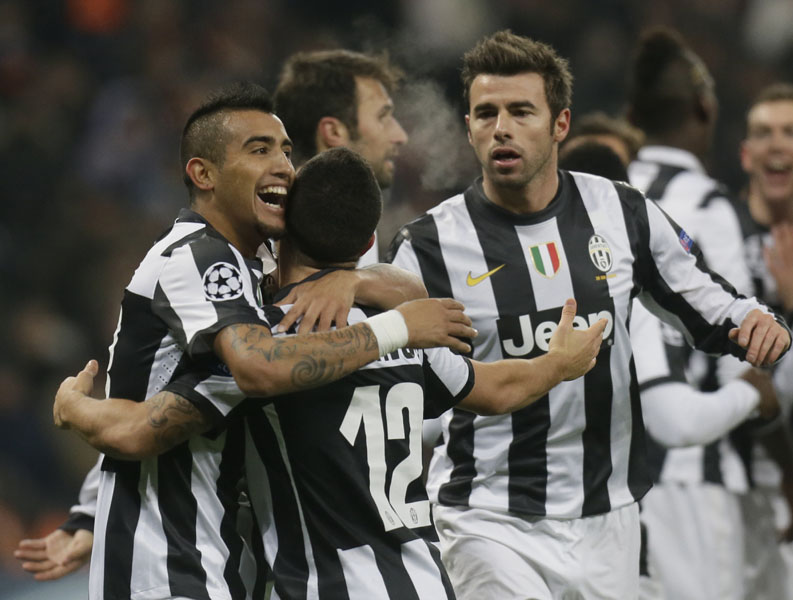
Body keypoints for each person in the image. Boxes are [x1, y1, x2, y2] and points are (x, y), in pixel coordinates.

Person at [52, 146, 607, 599]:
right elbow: (496, 387)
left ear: (280, 228)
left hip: (322, 586)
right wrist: (559, 362)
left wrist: (75, 408)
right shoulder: (410, 326)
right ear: (368, 243)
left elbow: (139, 430)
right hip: (425, 582)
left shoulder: (268, 349)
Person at [24, 82, 476, 600]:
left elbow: (169, 397)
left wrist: (358, 281)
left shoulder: (252, 273)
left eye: (285, 150)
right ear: (204, 174)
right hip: (171, 569)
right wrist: (74, 410)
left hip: (219, 560)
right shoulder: (200, 255)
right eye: (258, 149)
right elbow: (234, 381)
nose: (283, 164)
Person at [386, 30, 791, 599]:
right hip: (488, 520)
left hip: (609, 520)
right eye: (485, 113)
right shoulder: (427, 247)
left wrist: (756, 320)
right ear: (470, 127)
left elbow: (709, 302)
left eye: (521, 111)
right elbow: (426, 394)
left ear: (560, 124)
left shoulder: (621, 212)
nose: (500, 126)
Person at [561, 138, 782, 600]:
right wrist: (752, 393)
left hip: (552, 513)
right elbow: (671, 419)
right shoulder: (630, 291)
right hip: (657, 501)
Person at [624, 28, 772, 599]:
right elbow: (749, 365)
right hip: (696, 472)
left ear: (634, 116)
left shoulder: (603, 196)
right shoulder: (713, 208)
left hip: (611, 477)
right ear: (706, 109)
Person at [734, 81, 793, 600]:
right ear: (746, 153)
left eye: (790, 133)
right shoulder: (713, 234)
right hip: (731, 469)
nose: (778, 145)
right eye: (764, 134)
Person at [273, 49, 409, 266]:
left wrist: (360, 283)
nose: (400, 136)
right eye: (382, 117)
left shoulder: (352, 211)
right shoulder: (269, 228)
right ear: (334, 132)